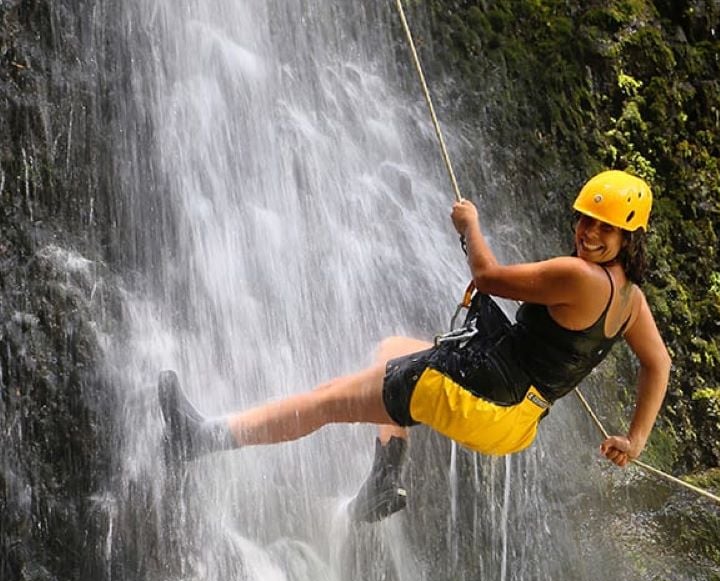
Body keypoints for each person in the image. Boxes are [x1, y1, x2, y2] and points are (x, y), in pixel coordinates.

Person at [159, 170, 672, 523]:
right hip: (516, 422)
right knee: (393, 347)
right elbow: (658, 362)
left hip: (479, 391)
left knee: (326, 399)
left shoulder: (579, 277)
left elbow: (488, 276)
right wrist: (636, 439)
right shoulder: (631, 300)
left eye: (607, 227)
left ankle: (200, 439)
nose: (590, 233)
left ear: (631, 236)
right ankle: (387, 472)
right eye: (586, 220)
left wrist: (469, 225)